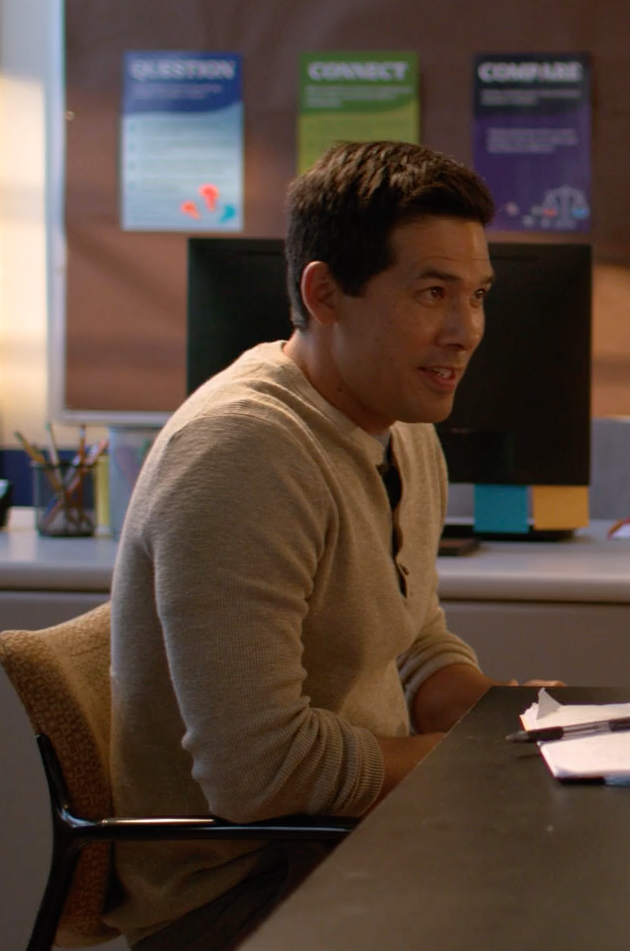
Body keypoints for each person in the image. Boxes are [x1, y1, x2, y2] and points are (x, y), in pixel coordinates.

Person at [108, 142, 543, 951]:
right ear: (325, 293)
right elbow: (259, 774)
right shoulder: (242, 454)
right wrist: (474, 757)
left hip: (358, 840)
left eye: (477, 295)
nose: (466, 331)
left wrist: (519, 719)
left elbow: (412, 643)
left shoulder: (403, 428)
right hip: (246, 894)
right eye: (432, 293)